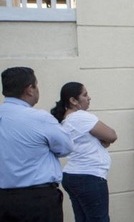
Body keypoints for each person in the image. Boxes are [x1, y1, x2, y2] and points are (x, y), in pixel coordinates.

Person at [0, 66, 74, 221]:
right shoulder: (39, 118)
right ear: (30, 89)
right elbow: (66, 147)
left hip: (4, 199)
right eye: (36, 85)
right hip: (37, 200)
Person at [50, 82, 118, 222]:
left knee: (82, 218)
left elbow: (105, 140)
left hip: (74, 175)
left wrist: (102, 138)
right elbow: (111, 135)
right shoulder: (80, 116)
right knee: (99, 219)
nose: (89, 98)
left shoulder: (66, 120)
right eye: (85, 95)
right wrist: (103, 138)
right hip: (89, 175)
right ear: (73, 100)